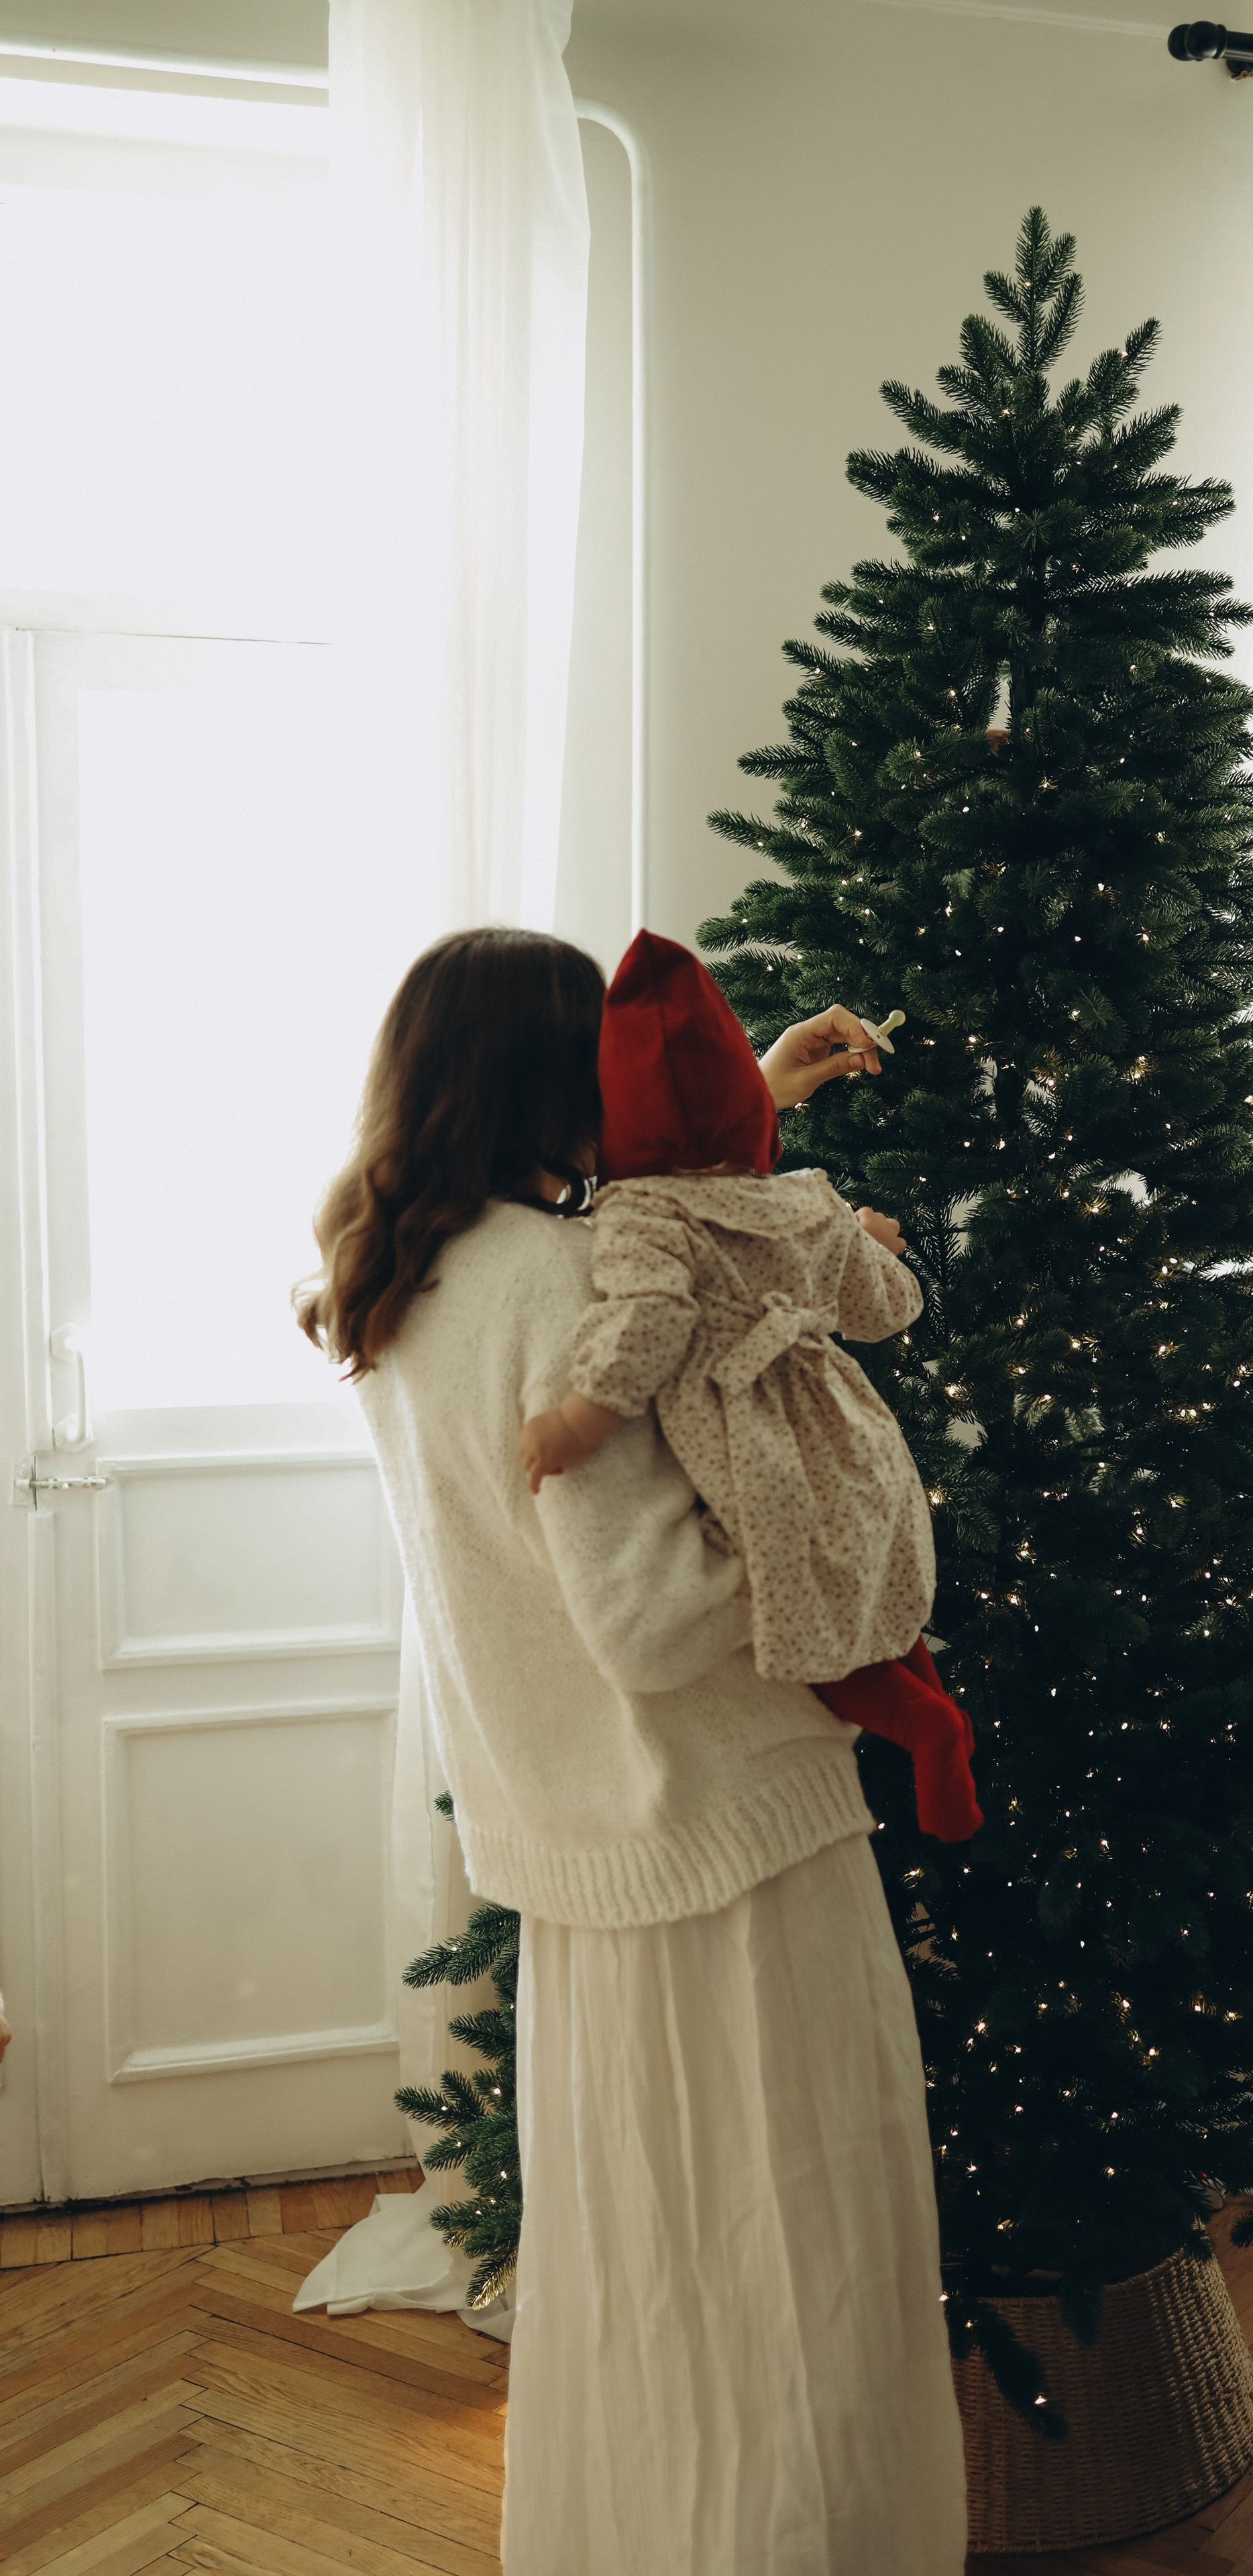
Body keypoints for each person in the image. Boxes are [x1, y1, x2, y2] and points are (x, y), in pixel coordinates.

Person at [297, 926, 969, 2576]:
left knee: (650, 2277)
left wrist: (772, 1089)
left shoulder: (392, 1286)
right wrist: (831, 1541)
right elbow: (652, 1620)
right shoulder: (556, 1278)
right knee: (794, 2271)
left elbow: (680, 1228)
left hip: (580, 1842)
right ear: (548, 1075)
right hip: (723, 1830)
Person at [517, 930, 983, 1843]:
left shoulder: (641, 1212)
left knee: (803, 1602)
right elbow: (889, 1308)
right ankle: (934, 1705)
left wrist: (579, 1421)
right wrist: (866, 1247)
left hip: (765, 1440)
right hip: (855, 1431)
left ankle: (926, 1728)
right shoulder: (805, 1200)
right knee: (877, 1589)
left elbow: (648, 1321)